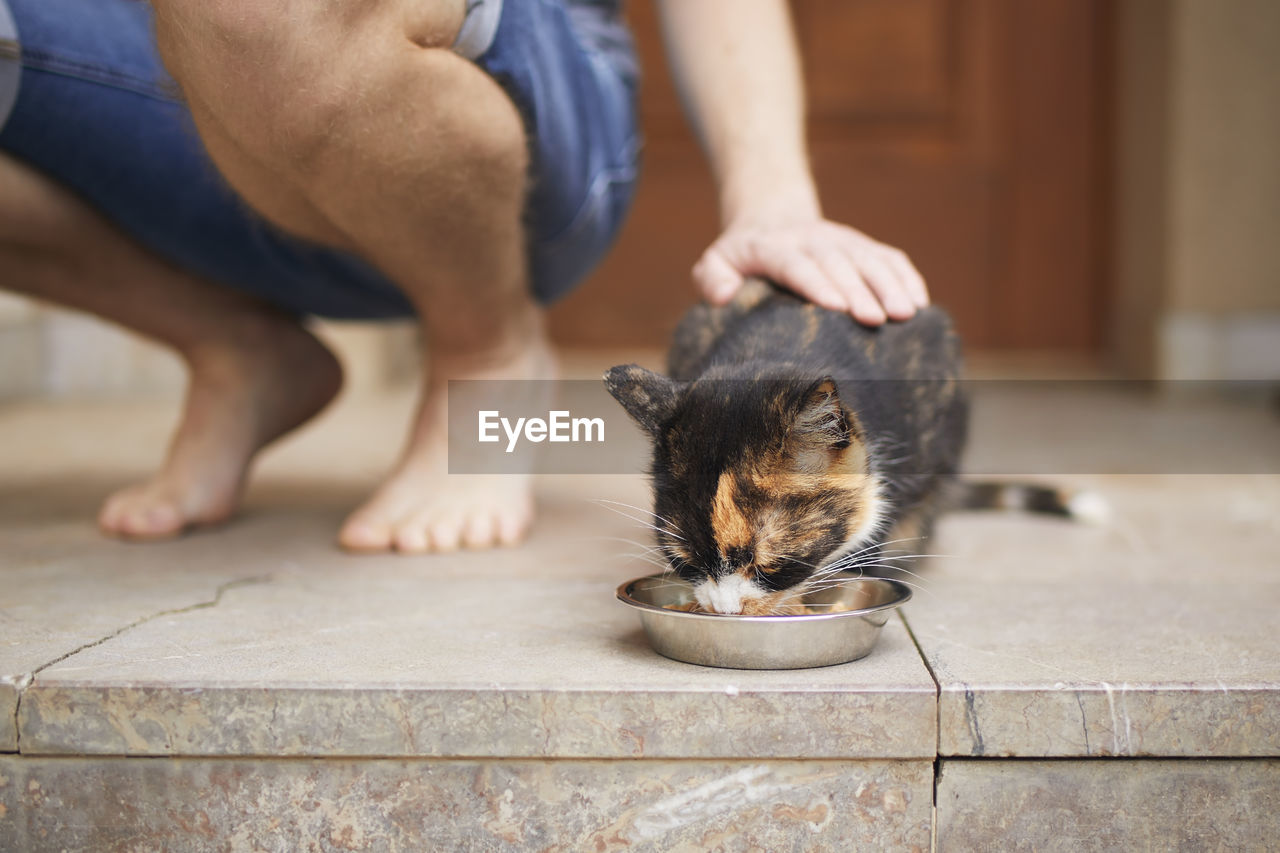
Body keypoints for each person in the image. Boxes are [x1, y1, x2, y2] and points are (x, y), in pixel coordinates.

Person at [0, 0, 928, 553]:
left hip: (497, 111)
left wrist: (772, 192)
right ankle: (235, 344)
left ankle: (486, 349)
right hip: (195, 98)